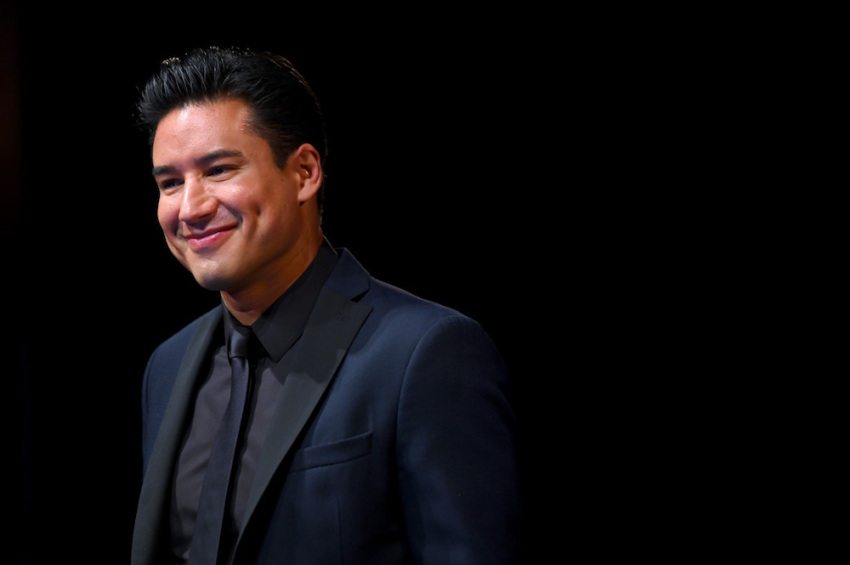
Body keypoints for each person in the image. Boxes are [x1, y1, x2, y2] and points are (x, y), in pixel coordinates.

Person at [130, 46, 522, 565]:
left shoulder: (424, 354)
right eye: (170, 183)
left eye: (219, 169)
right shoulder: (168, 366)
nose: (191, 206)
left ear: (305, 172)